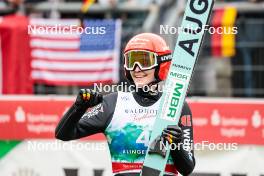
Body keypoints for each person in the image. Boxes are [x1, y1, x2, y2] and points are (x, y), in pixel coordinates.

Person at [55, 33, 195, 176]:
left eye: (144, 61)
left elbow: (187, 168)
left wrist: (177, 145)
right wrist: (79, 107)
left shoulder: (177, 105)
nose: (136, 68)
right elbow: (63, 134)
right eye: (131, 61)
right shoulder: (113, 103)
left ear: (161, 63)